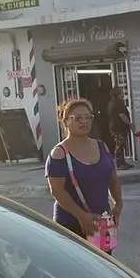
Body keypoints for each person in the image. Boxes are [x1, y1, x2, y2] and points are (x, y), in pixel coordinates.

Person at [44, 99, 123, 245]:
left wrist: (118, 204)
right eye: (78, 118)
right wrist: (81, 216)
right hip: (70, 226)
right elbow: (57, 192)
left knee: (104, 264)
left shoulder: (102, 147)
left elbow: (113, 179)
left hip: (102, 224)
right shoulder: (59, 154)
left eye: (88, 117)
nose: (84, 121)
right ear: (65, 120)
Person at [106, 87, 133, 169]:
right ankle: (119, 164)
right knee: (119, 145)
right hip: (118, 128)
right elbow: (122, 115)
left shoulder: (112, 102)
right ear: (118, 94)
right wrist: (130, 123)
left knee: (121, 145)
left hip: (116, 127)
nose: (123, 93)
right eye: (122, 92)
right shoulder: (117, 103)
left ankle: (122, 162)